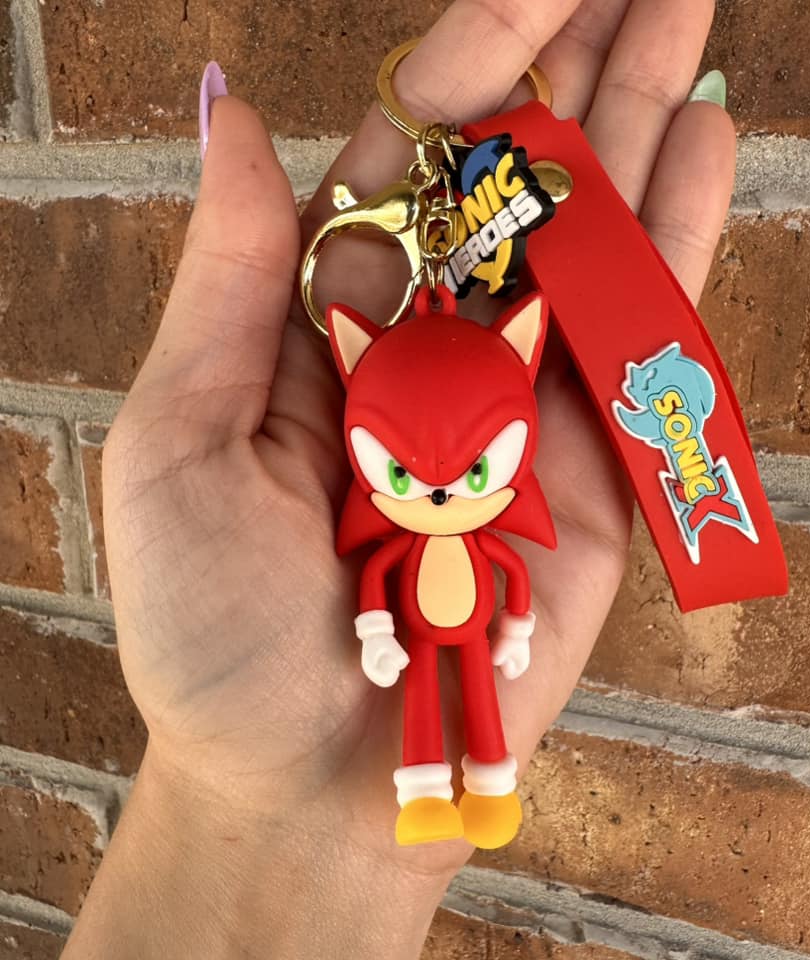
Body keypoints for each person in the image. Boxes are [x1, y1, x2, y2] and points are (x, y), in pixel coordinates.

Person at [60, 1, 734, 956]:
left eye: (475, 468)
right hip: (415, 633)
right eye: (408, 471)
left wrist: (514, 627)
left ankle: (487, 783)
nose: (445, 494)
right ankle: (427, 793)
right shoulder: (392, 530)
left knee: (476, 703)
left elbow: (512, 577)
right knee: (427, 702)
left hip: (462, 624)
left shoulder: (488, 529)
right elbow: (381, 581)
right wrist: (375, 630)